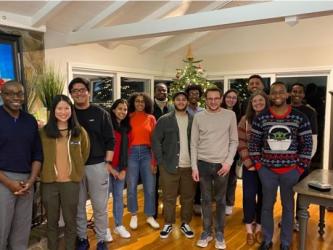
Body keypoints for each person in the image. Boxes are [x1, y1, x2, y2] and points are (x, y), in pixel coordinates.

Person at [249, 82, 312, 250]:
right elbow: (254, 144)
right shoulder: (261, 117)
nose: (277, 95)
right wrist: (259, 166)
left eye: (281, 92)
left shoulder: (300, 117)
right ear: (269, 96)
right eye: (274, 93)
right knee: (266, 206)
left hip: (291, 172)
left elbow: (307, 144)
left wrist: (299, 168)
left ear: (287, 95)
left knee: (288, 207)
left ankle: (285, 243)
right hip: (267, 171)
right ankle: (267, 240)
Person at [69, 77, 115, 250]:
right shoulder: (68, 113)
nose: (79, 93)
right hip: (74, 167)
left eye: (82, 90)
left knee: (100, 206)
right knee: (79, 205)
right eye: (75, 91)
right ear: (71, 94)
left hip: (97, 166)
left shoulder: (101, 113)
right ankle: (82, 238)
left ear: (88, 92)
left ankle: (102, 239)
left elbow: (110, 141)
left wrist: (107, 163)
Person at [39, 95, 90, 250]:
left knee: (70, 221)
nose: (63, 112)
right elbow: (37, 155)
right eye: (59, 108)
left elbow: (85, 152)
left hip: (71, 183)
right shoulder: (43, 132)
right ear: (53, 110)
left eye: (66, 108)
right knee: (52, 222)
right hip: (49, 183)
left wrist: (76, 169)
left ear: (71, 110)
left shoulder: (79, 132)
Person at [191, 87, 238, 249]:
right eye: (209, 98)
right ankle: (206, 231)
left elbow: (234, 141)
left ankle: (219, 233)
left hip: (222, 165)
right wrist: (194, 167)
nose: (213, 101)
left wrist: (228, 162)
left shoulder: (230, 115)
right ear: (205, 99)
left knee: (220, 200)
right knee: (205, 200)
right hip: (202, 164)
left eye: (216, 98)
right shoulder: (199, 117)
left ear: (221, 99)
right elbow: (193, 144)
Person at [0, 80, 43, 250]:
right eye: (10, 93)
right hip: (3, 181)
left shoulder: (30, 120)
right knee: (1, 230)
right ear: (2, 95)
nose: (16, 97)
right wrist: (9, 183)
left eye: (20, 93)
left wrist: (32, 180)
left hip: (27, 182)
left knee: (22, 231)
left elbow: (37, 154)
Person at [152, 91, 195, 239]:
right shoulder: (164, 120)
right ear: (174, 101)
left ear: (187, 102)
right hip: (169, 166)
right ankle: (168, 223)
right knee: (169, 197)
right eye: (178, 99)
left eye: (184, 99)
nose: (181, 102)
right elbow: (156, 140)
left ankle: (185, 223)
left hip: (189, 167)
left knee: (187, 197)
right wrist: (160, 161)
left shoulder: (194, 119)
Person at [238, 91, 269, 246]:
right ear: (251, 104)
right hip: (250, 167)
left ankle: (259, 228)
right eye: (254, 101)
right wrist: (249, 163)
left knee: (264, 197)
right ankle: (249, 230)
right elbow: (241, 142)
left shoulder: (272, 119)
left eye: (260, 100)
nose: (257, 103)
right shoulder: (245, 120)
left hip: (268, 168)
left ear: (266, 101)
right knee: (249, 197)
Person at [127, 92, 160, 230]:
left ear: (146, 103)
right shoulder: (128, 118)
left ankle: (150, 216)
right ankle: (133, 214)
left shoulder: (151, 118)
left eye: (142, 101)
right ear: (133, 103)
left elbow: (155, 142)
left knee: (150, 188)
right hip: (131, 154)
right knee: (132, 187)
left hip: (147, 153)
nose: (140, 103)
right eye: (137, 101)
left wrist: (154, 162)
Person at [290, 82, 318, 230]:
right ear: (290, 93)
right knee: (287, 192)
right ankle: (288, 219)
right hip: (286, 160)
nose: (296, 94)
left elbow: (313, 137)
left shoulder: (310, 112)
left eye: (299, 92)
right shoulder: (284, 109)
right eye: (294, 91)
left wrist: (306, 159)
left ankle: (299, 219)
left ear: (303, 94)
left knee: (300, 191)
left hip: (302, 160)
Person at [107, 99, 132, 239]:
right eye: (119, 108)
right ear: (113, 110)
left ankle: (118, 225)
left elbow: (127, 151)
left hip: (120, 167)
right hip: (106, 167)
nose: (122, 112)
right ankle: (104, 228)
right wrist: (110, 168)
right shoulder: (107, 126)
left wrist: (123, 170)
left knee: (118, 197)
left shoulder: (127, 129)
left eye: (125, 109)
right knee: (103, 199)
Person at [152, 83, 174, 218]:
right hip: (153, 152)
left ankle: (167, 210)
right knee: (153, 184)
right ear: (155, 91)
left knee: (168, 184)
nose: (162, 92)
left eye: (164, 90)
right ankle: (152, 211)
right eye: (159, 90)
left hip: (169, 152)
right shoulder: (149, 107)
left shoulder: (172, 108)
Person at [221, 89, 241, 216]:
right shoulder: (219, 112)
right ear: (224, 98)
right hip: (219, 150)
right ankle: (219, 202)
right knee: (220, 178)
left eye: (234, 98)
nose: (231, 99)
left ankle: (229, 203)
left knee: (231, 179)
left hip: (234, 151)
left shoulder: (240, 114)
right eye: (229, 97)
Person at [185, 84, 204, 215]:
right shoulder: (182, 110)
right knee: (187, 178)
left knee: (198, 176)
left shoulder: (203, 111)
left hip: (199, 147)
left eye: (196, 93)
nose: (194, 96)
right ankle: (187, 203)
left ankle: (197, 202)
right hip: (184, 147)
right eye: (191, 93)